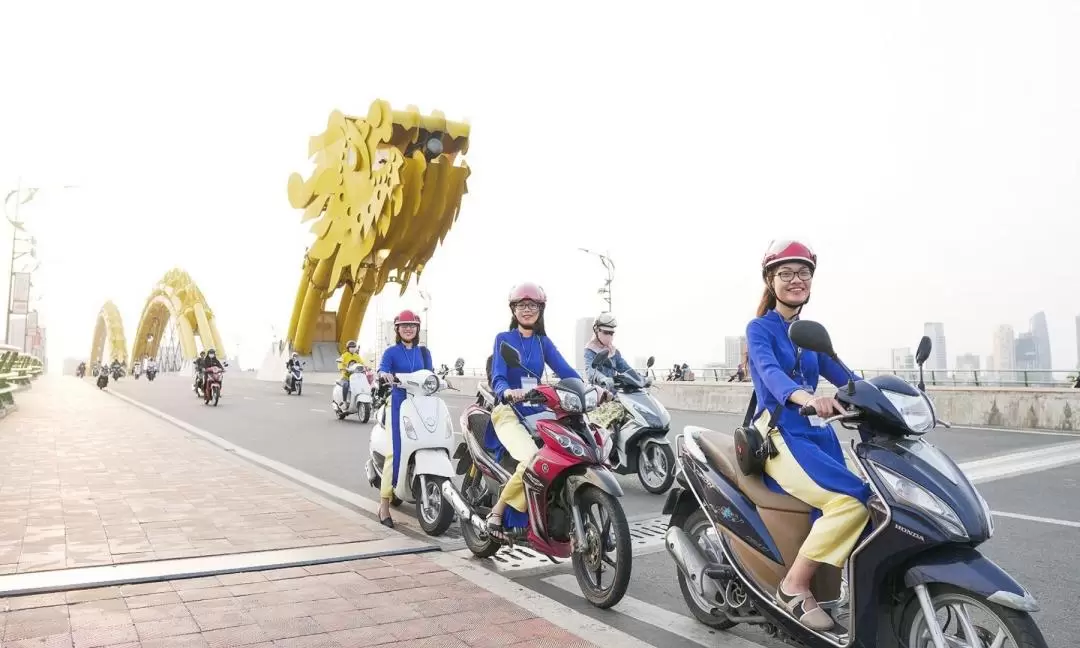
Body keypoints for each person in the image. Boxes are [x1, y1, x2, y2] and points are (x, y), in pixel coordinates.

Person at [746, 239, 869, 632]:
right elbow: (769, 372)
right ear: (770, 280)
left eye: (804, 273)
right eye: (786, 273)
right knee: (851, 502)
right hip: (782, 434)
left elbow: (844, 374)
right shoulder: (760, 328)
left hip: (820, 436)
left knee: (875, 503)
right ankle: (794, 587)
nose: (796, 280)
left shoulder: (811, 332)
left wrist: (885, 399)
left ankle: (835, 585)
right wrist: (805, 397)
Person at [487, 282, 580, 539]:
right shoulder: (504, 340)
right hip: (509, 410)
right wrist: (506, 391)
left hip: (537, 410)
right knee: (532, 459)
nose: (527, 310)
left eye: (533, 305)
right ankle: (497, 512)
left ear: (541, 309)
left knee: (567, 451)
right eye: (521, 305)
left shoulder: (543, 343)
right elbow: (498, 375)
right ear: (513, 310)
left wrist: (589, 389)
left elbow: (566, 371)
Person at [375, 310, 433, 528]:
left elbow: (431, 375)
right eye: (403, 325)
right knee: (394, 452)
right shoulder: (391, 352)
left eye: (412, 325)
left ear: (417, 329)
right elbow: (383, 369)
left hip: (421, 404)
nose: (408, 328)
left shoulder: (424, 353)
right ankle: (384, 505)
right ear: (397, 329)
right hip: (399, 404)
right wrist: (384, 375)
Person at [583, 312, 649, 432]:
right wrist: (602, 378)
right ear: (597, 331)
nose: (609, 336)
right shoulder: (590, 350)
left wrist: (641, 378)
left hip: (615, 393)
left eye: (611, 333)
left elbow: (625, 368)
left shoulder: (614, 351)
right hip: (599, 395)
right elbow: (590, 370)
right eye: (606, 332)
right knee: (604, 429)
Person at [337, 341, 363, 405]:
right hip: (346, 376)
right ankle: (344, 401)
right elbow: (340, 363)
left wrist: (366, 367)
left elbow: (362, 363)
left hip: (356, 376)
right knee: (346, 385)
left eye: (354, 347)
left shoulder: (357, 356)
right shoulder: (344, 355)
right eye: (351, 347)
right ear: (348, 348)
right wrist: (342, 368)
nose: (353, 348)